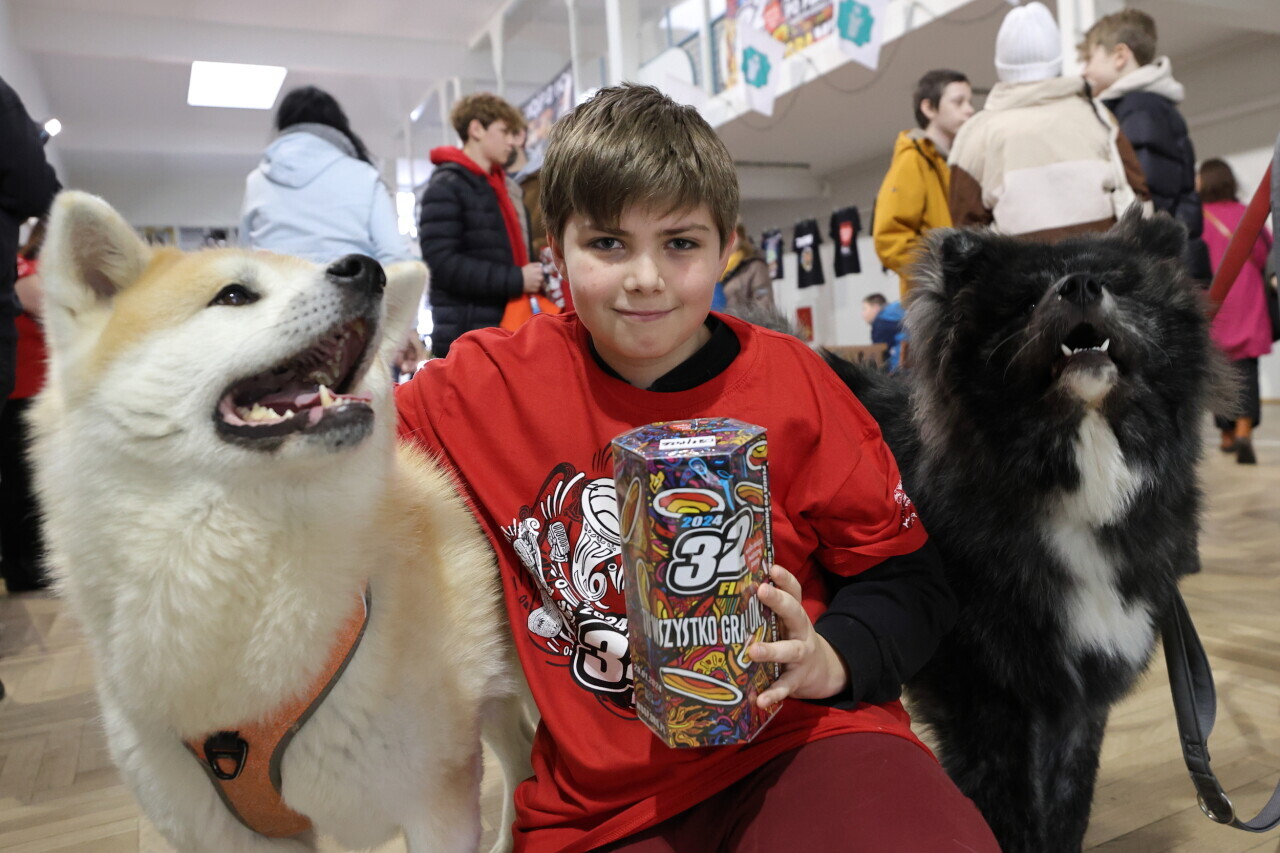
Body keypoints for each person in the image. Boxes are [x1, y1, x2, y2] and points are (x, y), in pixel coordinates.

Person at [396, 84, 998, 853]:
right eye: (608, 243)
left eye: (680, 243)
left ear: (725, 247)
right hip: (604, 805)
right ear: (555, 251)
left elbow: (908, 580)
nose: (645, 277)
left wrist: (833, 655)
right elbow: (345, 449)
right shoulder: (483, 387)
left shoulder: (794, 383)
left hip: (803, 741)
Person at [949, 1, 1150, 241]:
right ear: (1056, 59)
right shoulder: (1097, 117)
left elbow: (966, 237)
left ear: (1002, 65)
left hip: (1022, 265)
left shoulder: (977, 135)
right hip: (1104, 263)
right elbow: (1140, 202)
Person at [1079, 9, 1212, 281]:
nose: (1085, 70)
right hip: (1168, 264)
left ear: (1120, 55)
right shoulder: (1143, 106)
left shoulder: (1139, 108)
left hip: (1159, 270)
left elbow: (1147, 197)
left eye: (1090, 58)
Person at [418, 93, 549, 357]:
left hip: (503, 325)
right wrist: (516, 279)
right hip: (466, 333)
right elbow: (443, 263)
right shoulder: (447, 186)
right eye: (504, 132)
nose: (512, 142)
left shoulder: (503, 187)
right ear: (476, 129)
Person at [239, 86, 413, 267]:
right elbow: (395, 254)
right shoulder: (365, 175)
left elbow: (242, 257)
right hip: (349, 282)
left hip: (277, 281)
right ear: (338, 125)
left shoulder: (257, 180)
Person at [872, 69, 974, 296]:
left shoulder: (957, 162)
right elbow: (889, 239)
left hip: (963, 296)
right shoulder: (913, 158)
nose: (969, 109)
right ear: (928, 108)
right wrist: (940, 276)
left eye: (969, 101)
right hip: (936, 301)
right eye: (958, 102)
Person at [1199, 158, 1272, 465]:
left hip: (1216, 296)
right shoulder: (1246, 212)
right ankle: (1244, 431)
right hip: (1249, 296)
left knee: (1217, 368)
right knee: (1247, 367)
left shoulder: (1199, 218)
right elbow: (1264, 253)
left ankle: (1226, 436)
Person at [1, 219, 50, 593]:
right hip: (20, 393)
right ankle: (22, 567)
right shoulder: (23, 270)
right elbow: (51, 309)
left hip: (32, 392)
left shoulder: (29, 270)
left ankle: (26, 562)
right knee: (21, 483)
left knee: (26, 481)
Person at [719, 222, 775, 314]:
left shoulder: (755, 266)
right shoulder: (718, 269)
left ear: (740, 237)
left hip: (742, 322)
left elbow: (764, 305)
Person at [862, 292, 905, 370]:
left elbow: (878, 353)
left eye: (865, 309)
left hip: (898, 370)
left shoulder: (880, 323)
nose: (863, 314)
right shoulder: (901, 311)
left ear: (875, 308)